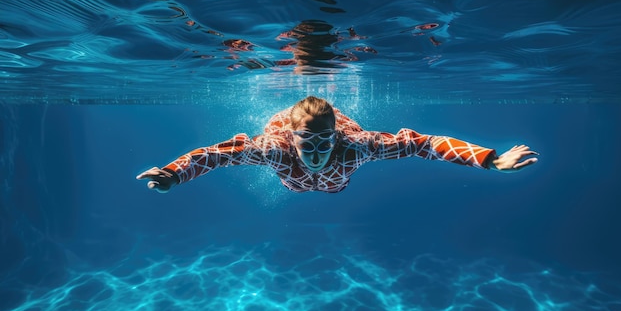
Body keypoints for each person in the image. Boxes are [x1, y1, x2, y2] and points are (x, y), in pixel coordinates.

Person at [137, 96, 538, 193]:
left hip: (336, 178)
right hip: (295, 176)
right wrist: (173, 174)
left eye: (325, 138)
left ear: (338, 134)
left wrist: (489, 160)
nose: (316, 149)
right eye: (305, 140)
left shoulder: (357, 145)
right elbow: (216, 156)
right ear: (291, 137)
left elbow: (423, 143)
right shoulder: (274, 148)